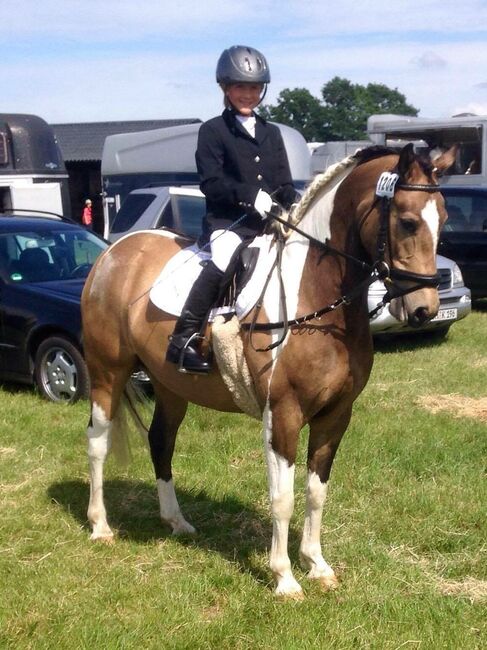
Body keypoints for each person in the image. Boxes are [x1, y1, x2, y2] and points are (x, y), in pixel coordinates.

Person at [166, 45, 296, 374]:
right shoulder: (213, 131)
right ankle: (183, 339)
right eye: (241, 87)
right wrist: (249, 195)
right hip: (228, 223)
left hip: (268, 224)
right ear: (226, 88)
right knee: (224, 258)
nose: (248, 94)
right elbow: (210, 183)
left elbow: (284, 182)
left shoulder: (272, 133)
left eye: (254, 88)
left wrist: (289, 203)